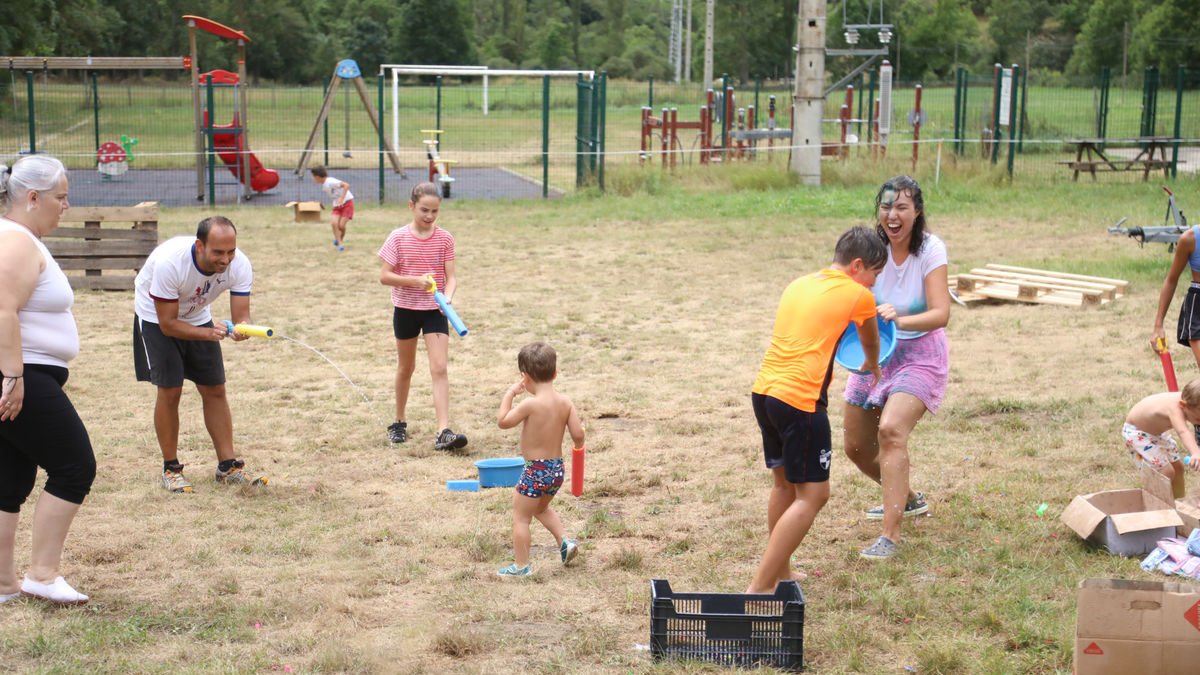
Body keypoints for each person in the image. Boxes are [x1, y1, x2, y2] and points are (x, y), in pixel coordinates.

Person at [746, 227, 886, 594]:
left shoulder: (799, 283)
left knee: (784, 485)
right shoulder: (858, 294)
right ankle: (760, 589)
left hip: (765, 393)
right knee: (814, 495)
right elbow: (871, 338)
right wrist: (873, 365)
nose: (874, 285)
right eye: (875, 275)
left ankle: (781, 571)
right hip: (800, 402)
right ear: (858, 266)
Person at [0, 156, 95, 605]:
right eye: (60, 197)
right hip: (23, 374)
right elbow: (3, 310)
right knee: (75, 465)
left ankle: (3, 584)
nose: (67, 205)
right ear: (33, 198)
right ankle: (42, 573)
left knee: (9, 479)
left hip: (26, 372)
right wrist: (13, 375)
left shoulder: (20, 238)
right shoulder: (16, 242)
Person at [843, 176, 951, 561]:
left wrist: (899, 319)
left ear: (916, 212)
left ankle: (890, 535)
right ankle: (906, 498)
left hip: (920, 354)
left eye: (902, 207)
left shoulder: (930, 250)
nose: (893, 215)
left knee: (890, 430)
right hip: (873, 353)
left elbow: (941, 314)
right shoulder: (870, 250)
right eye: (887, 207)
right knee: (855, 448)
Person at [133, 216, 266, 493]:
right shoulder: (171, 263)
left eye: (230, 251)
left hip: (197, 315)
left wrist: (242, 329)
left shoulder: (239, 263)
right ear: (199, 246)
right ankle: (171, 468)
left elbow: (242, 316)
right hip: (156, 318)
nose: (226, 259)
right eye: (218, 252)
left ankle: (228, 467)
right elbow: (168, 324)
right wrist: (209, 334)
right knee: (170, 391)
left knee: (215, 388)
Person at [378, 182, 468, 451]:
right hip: (405, 309)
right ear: (411, 206)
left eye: (435, 212)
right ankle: (399, 422)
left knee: (439, 367)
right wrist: (415, 281)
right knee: (406, 367)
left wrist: (448, 298)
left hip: (435, 311)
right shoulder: (397, 238)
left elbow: (451, 277)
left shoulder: (445, 238)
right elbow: (384, 276)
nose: (429, 216)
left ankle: (443, 431)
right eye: (424, 210)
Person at [495, 342, 585, 577]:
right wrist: (578, 447)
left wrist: (510, 394)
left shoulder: (529, 404)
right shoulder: (565, 402)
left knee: (520, 518)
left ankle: (522, 566)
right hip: (556, 470)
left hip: (535, 470)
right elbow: (578, 434)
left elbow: (503, 421)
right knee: (541, 507)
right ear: (555, 373)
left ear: (524, 377)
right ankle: (564, 542)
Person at [1124, 380, 1200, 499]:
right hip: (1138, 434)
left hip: (1157, 434)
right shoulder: (1174, 408)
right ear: (1183, 405)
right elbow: (1183, 432)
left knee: (1178, 468)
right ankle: (1157, 504)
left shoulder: (1192, 401)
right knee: (1166, 472)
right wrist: (1196, 452)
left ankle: (1178, 501)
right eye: (1198, 419)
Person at [310, 165, 353, 251]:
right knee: (334, 223)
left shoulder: (331, 181)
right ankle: (340, 244)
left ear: (317, 177)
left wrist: (342, 198)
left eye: (313, 177)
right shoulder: (325, 184)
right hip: (337, 206)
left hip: (347, 203)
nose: (313, 179)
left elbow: (346, 185)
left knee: (341, 226)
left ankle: (339, 239)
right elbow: (334, 195)